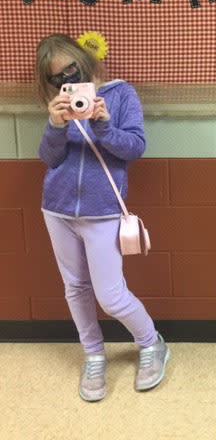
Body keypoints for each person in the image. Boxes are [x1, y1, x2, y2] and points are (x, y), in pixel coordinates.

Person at [35, 34, 170, 402]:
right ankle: (93, 354)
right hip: (57, 209)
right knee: (75, 288)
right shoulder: (59, 103)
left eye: (71, 69)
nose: (66, 79)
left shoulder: (121, 94)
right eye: (56, 77)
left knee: (110, 295)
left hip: (103, 211)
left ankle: (151, 342)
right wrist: (55, 125)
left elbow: (135, 148)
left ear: (83, 61)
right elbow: (49, 158)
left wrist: (104, 125)